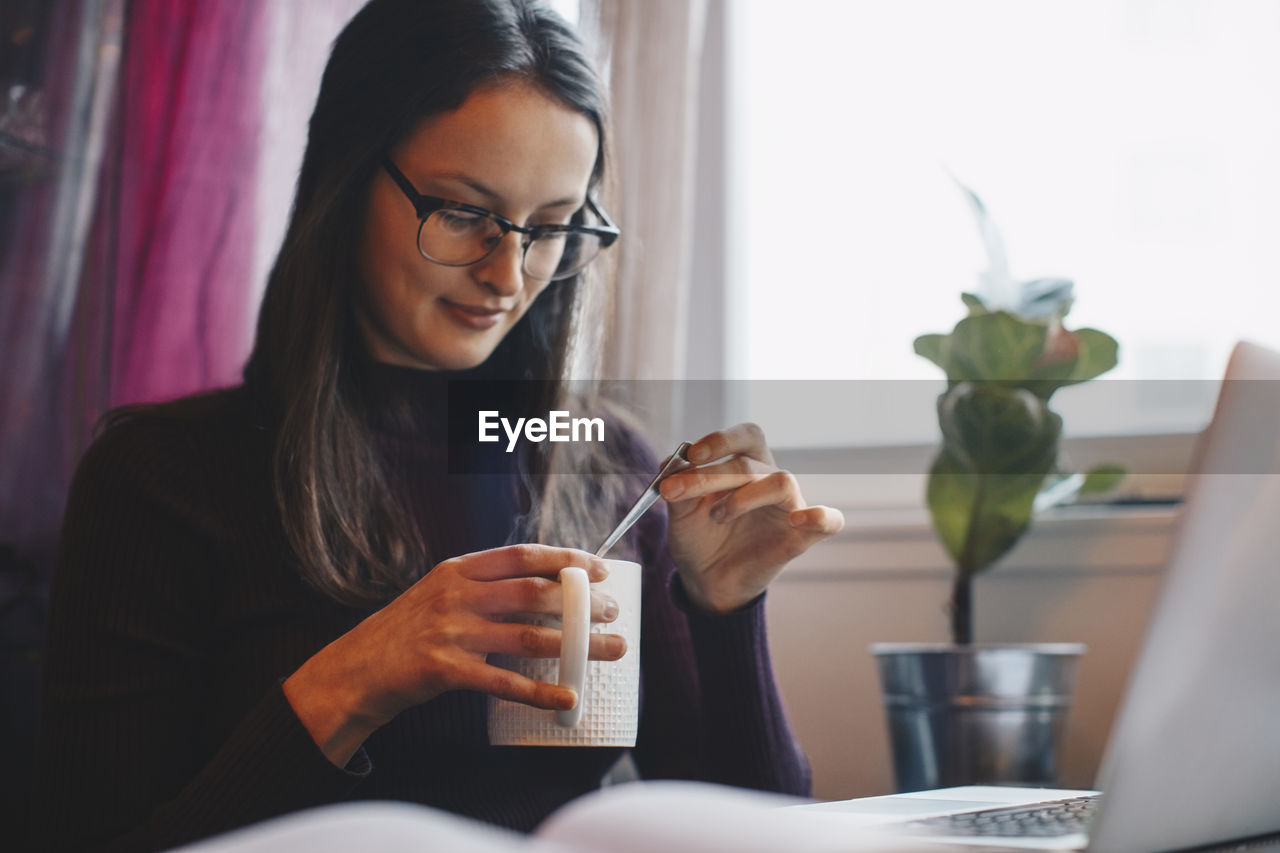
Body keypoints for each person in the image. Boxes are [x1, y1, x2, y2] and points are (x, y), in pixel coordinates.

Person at [32, 1, 844, 850]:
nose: (509, 273)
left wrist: (724, 612)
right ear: (347, 178)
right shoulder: (163, 478)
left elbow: (750, 828)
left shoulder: (603, 466)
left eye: (554, 227)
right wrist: (356, 679)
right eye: (462, 213)